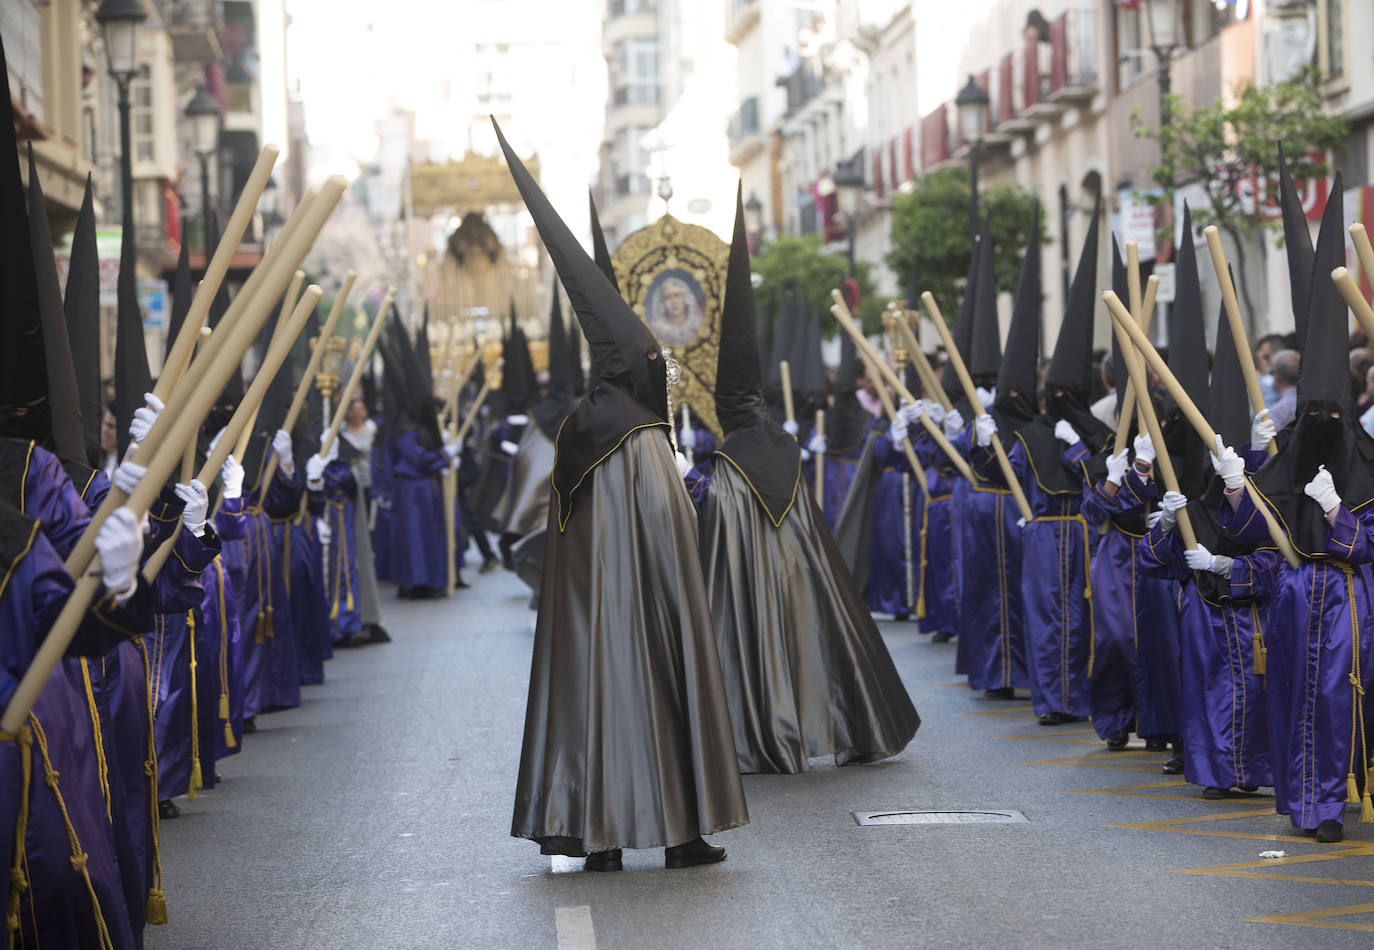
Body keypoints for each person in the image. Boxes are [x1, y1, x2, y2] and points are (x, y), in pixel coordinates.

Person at [498, 120, 747, 871]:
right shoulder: (638, 437)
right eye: (652, 360)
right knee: (663, 701)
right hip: (646, 611)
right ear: (635, 364)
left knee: (596, 707)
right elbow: (666, 534)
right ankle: (679, 835)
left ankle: (597, 837)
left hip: (588, 618)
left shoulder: (582, 427)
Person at [685, 186, 919, 773]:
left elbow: (712, 524)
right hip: (801, 579)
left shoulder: (730, 462)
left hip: (749, 588)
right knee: (813, 640)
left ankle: (765, 732)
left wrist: (688, 480)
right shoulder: (783, 447)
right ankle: (846, 723)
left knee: (757, 650)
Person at [1217, 178, 1373, 843]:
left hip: (1346, 595)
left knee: (1338, 704)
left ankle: (1332, 806)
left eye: (1331, 414)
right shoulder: (1284, 459)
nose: (1322, 423)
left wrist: (1341, 513)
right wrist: (1235, 482)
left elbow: (1366, 544)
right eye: (1313, 413)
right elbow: (1254, 529)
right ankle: (1304, 803)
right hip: (1291, 593)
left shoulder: (1364, 459)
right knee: (1293, 701)